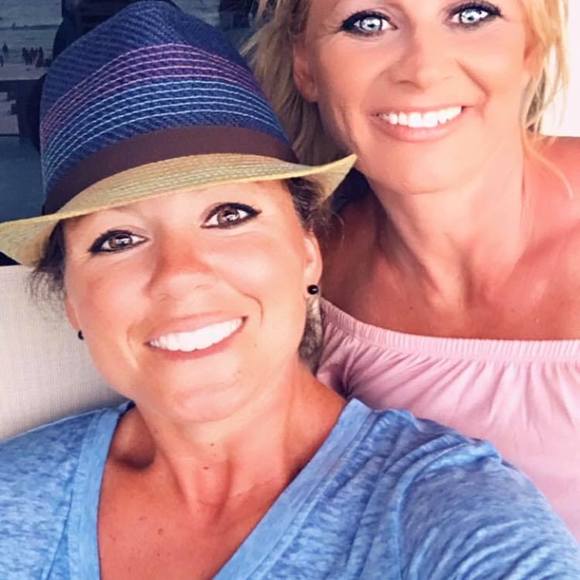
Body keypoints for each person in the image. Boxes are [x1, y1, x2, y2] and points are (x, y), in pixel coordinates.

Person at [0, 2, 579, 577]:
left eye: (229, 215)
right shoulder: (21, 493)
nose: (180, 274)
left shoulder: (447, 510)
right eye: (117, 240)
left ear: (308, 251)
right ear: (70, 298)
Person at [249, 0, 580, 538]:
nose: (424, 70)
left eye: (471, 14)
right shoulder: (296, 279)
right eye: (369, 22)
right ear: (305, 64)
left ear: (531, 49)